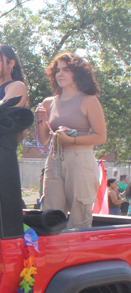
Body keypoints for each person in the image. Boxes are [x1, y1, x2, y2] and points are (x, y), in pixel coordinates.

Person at [37, 52, 107, 229]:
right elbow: (43, 141)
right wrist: (39, 119)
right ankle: (52, 256)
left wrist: (72, 140)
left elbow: (101, 136)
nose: (60, 74)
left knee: (79, 215)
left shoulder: (89, 100)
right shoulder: (48, 102)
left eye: (66, 70)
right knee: (50, 214)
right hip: (54, 159)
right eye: (57, 70)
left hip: (80, 159)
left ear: (78, 73)